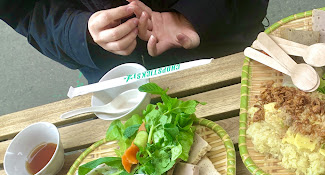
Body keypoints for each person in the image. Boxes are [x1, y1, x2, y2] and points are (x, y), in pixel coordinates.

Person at [0, 0, 269, 82]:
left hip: (222, 39)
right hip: (118, 79)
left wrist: (196, 14)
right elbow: (25, 11)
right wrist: (78, 30)